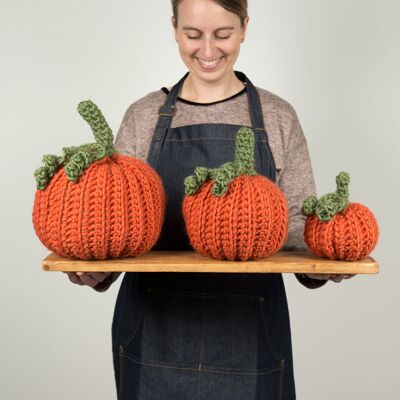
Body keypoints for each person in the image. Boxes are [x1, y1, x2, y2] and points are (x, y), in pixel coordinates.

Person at [65, 0, 355, 398]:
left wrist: (325, 264)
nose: (207, 50)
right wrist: (97, 272)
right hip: (153, 329)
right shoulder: (144, 116)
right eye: (192, 34)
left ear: (245, 26)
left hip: (251, 332)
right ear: (173, 26)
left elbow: (298, 231)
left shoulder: (277, 116)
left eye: (222, 34)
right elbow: (120, 227)